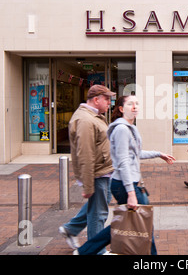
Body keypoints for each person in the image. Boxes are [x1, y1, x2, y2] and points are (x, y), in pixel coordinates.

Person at [75, 95, 175, 255]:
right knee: (138, 223)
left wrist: (159, 154)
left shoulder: (130, 128)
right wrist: (130, 193)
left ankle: (84, 251)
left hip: (128, 184)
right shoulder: (122, 129)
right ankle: (84, 251)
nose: (134, 106)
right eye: (130, 104)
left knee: (133, 222)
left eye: (136, 103)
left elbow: (134, 154)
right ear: (121, 109)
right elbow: (123, 162)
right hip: (124, 185)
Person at [58, 85, 115, 252]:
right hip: (97, 174)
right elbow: (85, 154)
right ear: (96, 100)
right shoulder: (85, 120)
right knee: (99, 214)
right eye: (107, 99)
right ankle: (96, 250)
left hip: (104, 171)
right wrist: (88, 185)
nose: (109, 103)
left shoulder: (93, 117)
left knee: (100, 204)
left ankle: (71, 228)